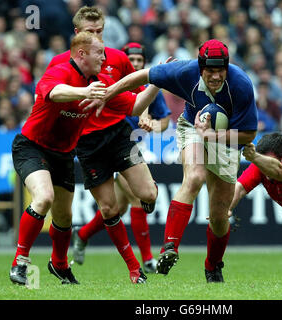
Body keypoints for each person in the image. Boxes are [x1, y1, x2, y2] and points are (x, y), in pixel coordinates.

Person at [9, 32, 159, 286]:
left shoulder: (100, 82)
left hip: (65, 153)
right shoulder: (59, 71)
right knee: (44, 198)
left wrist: (157, 79)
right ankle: (20, 262)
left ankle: (59, 265)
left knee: (64, 218)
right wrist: (84, 91)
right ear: (81, 54)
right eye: (99, 53)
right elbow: (54, 93)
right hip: (32, 147)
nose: (105, 57)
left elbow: (134, 106)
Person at [107, 39, 258, 282]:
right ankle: (170, 246)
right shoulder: (184, 71)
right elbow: (144, 76)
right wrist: (107, 94)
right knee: (195, 176)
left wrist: (212, 135)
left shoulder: (241, 84)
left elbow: (250, 133)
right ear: (200, 68)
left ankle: (212, 265)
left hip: (228, 138)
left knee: (219, 216)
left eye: (221, 70)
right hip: (192, 126)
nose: (216, 76)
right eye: (210, 70)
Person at [47, 6, 159, 282]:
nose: (96, 37)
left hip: (120, 135)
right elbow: (51, 97)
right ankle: (135, 269)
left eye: (99, 32)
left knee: (149, 195)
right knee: (109, 209)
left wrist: (144, 114)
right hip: (87, 143)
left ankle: (101, 238)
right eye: (89, 31)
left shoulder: (118, 58)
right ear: (77, 33)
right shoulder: (60, 63)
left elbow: (138, 91)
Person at [72, 42, 171, 273]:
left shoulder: (147, 87)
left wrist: (152, 125)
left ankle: (83, 233)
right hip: (107, 144)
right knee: (132, 201)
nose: (136, 64)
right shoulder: (113, 83)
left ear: (144, 63)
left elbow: (164, 119)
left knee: (118, 207)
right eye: (132, 60)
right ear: (124, 63)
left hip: (128, 147)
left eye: (139, 60)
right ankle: (147, 260)